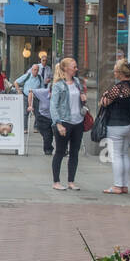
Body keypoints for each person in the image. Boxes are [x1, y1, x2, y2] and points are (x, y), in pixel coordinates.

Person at [99, 58, 130, 194]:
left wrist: (104, 96)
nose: (114, 73)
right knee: (124, 154)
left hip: (116, 124)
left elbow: (104, 103)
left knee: (116, 155)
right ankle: (125, 185)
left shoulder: (118, 87)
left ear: (120, 73)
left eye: (115, 71)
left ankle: (117, 186)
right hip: (129, 124)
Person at [50, 56, 87, 191]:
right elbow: (53, 106)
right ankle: (56, 181)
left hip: (78, 121)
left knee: (74, 152)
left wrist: (83, 98)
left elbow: (80, 98)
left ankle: (71, 181)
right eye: (74, 67)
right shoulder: (58, 85)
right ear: (66, 68)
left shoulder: (77, 82)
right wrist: (58, 123)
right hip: (64, 122)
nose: (76, 69)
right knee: (60, 152)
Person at [14, 61, 45, 135]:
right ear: (32, 70)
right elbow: (16, 82)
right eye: (34, 69)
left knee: (37, 113)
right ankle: (25, 128)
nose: (36, 71)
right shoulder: (27, 76)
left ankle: (36, 127)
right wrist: (19, 91)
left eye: (37, 70)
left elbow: (42, 88)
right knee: (25, 113)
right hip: (26, 96)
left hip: (35, 97)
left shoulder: (40, 78)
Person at [29, 81, 55, 156]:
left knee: (60, 134)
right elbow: (31, 91)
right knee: (47, 135)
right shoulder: (43, 92)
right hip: (44, 117)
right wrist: (30, 105)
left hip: (56, 117)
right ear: (49, 91)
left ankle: (64, 149)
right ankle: (48, 149)